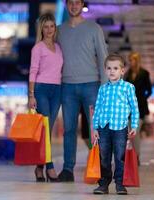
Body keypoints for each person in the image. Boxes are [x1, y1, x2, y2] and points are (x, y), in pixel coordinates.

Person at [57, 0, 108, 182]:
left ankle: (102, 169)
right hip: (67, 86)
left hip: (91, 85)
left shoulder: (94, 29)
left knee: (97, 129)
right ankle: (67, 170)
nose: (73, 5)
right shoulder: (59, 31)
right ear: (66, 5)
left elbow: (103, 57)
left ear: (82, 5)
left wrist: (104, 87)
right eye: (70, 2)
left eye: (77, 2)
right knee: (69, 129)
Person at [92, 53, 139, 195]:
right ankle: (103, 184)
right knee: (104, 156)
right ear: (105, 70)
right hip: (104, 127)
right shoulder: (103, 89)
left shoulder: (128, 88)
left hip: (120, 128)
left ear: (122, 70)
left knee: (120, 156)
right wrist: (95, 127)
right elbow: (98, 108)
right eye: (109, 68)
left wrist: (134, 125)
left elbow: (134, 107)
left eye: (115, 68)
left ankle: (120, 184)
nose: (112, 71)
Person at [28, 13, 63, 182]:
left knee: (47, 130)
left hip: (57, 90)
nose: (49, 30)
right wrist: (31, 95)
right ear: (41, 29)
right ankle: (49, 167)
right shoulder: (38, 48)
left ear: (55, 28)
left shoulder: (58, 47)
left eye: (52, 26)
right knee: (46, 128)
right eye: (46, 26)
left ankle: (38, 168)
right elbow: (33, 71)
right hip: (41, 89)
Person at [125, 52, 151, 164]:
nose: (131, 62)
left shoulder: (144, 73)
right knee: (129, 134)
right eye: (130, 60)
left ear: (137, 60)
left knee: (135, 133)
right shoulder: (127, 74)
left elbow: (149, 90)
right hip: (128, 108)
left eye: (133, 60)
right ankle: (131, 156)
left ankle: (136, 157)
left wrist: (141, 98)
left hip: (140, 107)